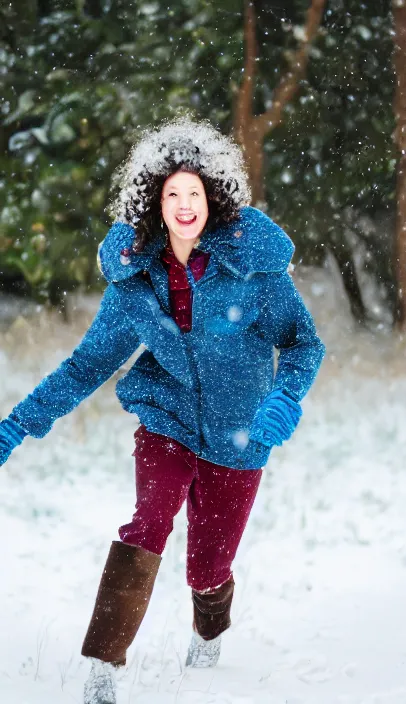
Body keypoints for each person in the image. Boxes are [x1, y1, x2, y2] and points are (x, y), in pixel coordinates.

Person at [0, 116, 325, 703]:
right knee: (149, 519)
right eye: (171, 193)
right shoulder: (136, 283)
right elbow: (86, 366)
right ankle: (103, 669)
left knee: (207, 568)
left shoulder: (254, 273)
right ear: (153, 202)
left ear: (212, 200)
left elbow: (304, 342)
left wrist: (284, 397)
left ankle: (209, 628)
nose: (182, 204)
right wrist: (19, 424)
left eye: (193, 193)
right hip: (166, 418)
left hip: (241, 436)